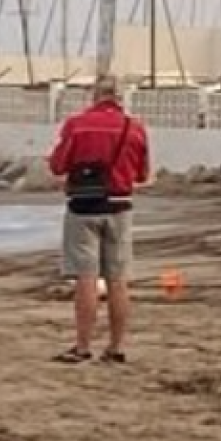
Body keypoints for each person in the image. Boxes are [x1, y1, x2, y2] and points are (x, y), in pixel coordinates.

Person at [47, 76, 150, 364]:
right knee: (118, 280)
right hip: (120, 206)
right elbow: (142, 174)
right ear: (120, 98)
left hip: (83, 207)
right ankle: (116, 347)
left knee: (86, 279)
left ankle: (82, 347)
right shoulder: (135, 127)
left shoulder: (77, 124)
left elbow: (58, 165)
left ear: (95, 96)